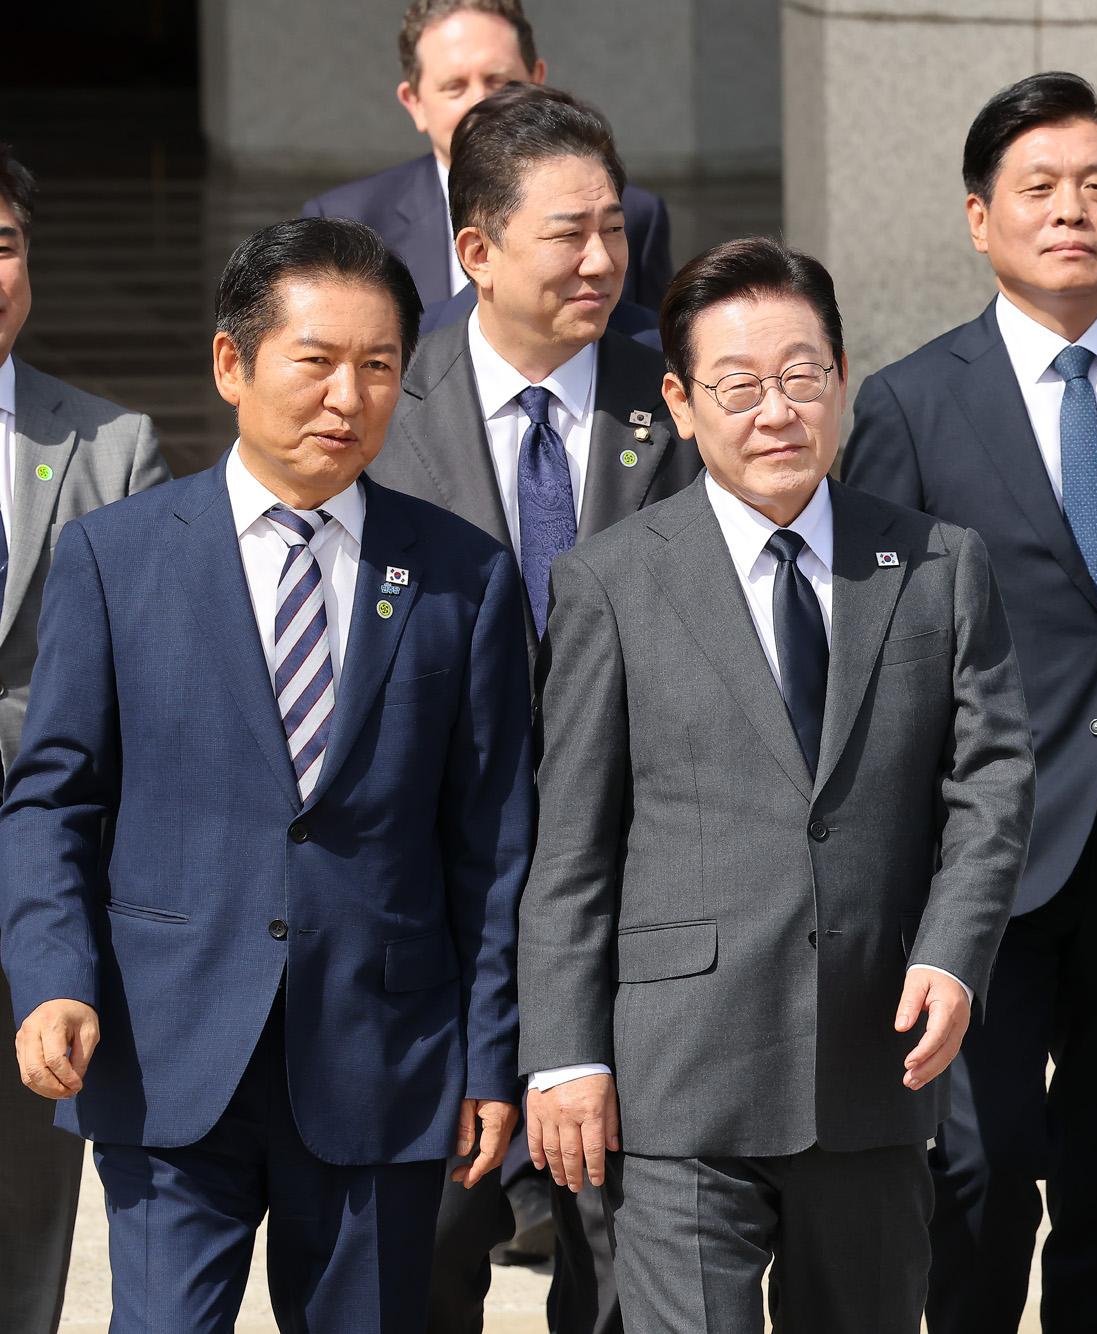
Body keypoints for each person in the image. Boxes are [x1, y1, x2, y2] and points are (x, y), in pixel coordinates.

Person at [0, 216, 532, 1333]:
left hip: (380, 1057)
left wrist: (492, 1051)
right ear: (233, 364)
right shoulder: (119, 555)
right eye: (317, 361)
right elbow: (56, 795)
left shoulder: (459, 575)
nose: (349, 396)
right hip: (167, 1042)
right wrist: (55, 971)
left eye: (379, 366)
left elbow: (490, 842)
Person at [515, 236, 1035, 1331]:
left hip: (870, 1055)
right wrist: (563, 1050)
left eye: (802, 376)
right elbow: (571, 841)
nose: (777, 411)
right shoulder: (611, 581)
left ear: (841, 376)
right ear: (681, 400)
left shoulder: (938, 564)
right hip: (679, 1072)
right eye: (738, 386)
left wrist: (951, 949)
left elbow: (989, 782)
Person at [842, 71, 1097, 1334]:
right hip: (981, 857)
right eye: (1038, 188)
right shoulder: (910, 401)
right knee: (972, 1164)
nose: (1071, 210)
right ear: (979, 218)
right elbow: (878, 642)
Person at [369, 80, 698, 1334]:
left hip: (635, 891)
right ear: (475, 249)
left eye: (614, 227)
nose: (603, 259)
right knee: (429, 1241)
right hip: (433, 897)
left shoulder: (671, 398)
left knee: (621, 1258)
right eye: (568, 232)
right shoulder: (382, 405)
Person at [0, 144, 169, 1334]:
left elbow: (150, 681)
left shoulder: (111, 443)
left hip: (42, 902)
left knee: (21, 1211)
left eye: (3, 243)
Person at [302, 0, 671, 315]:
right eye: (454, 86)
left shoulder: (631, 215)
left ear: (538, 82)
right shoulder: (347, 220)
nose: (480, 102)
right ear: (414, 103)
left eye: (499, 81)